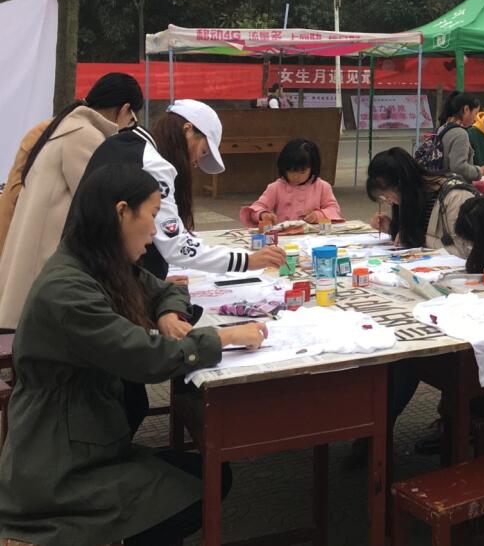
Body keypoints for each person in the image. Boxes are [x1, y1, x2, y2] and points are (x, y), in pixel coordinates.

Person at [0, 163, 267, 546]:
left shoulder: (97, 263)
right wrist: (223, 337)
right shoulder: (68, 290)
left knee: (207, 475)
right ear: (122, 212)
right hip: (58, 469)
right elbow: (145, 358)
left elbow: (167, 289)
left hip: (90, 440)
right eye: (152, 215)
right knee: (203, 485)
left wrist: (168, 313)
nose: (155, 231)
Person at [0, 72, 144, 329]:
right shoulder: (84, 135)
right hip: (45, 260)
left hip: (37, 255)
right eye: (132, 119)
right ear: (124, 109)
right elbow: (103, 204)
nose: (129, 126)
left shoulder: (70, 125)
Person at [82, 99, 286, 278]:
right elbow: (176, 247)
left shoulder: (125, 141)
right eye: (203, 151)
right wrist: (248, 261)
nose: (196, 162)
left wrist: (152, 283)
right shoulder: (155, 165)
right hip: (104, 281)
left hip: (90, 269)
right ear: (187, 130)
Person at [366, 147, 479, 253]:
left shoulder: (456, 197)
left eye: (387, 197)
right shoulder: (416, 198)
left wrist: (418, 238)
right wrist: (392, 228)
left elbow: (465, 250)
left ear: (402, 186)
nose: (390, 202)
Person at [240, 138, 343, 228]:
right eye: (290, 171)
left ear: (313, 168)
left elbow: (334, 209)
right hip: (284, 236)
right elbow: (257, 208)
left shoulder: (322, 187)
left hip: (313, 236)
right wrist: (262, 214)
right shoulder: (276, 187)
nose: (296, 176)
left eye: (302, 172)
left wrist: (318, 215)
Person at [437, 91, 484, 181]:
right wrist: (479, 171)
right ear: (466, 109)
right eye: (475, 113)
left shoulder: (443, 127)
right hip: (454, 185)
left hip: (441, 182)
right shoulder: (460, 134)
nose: (475, 119)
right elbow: (458, 167)